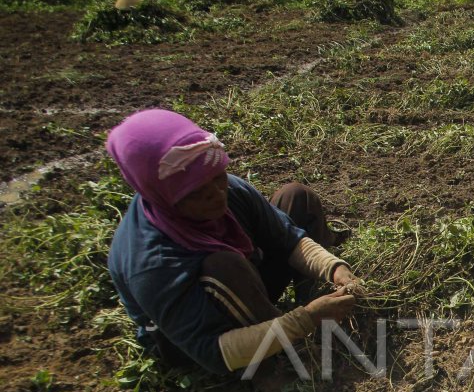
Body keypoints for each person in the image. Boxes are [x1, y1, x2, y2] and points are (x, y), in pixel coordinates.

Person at [106, 108, 360, 377]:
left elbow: (288, 239)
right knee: (223, 264)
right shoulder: (151, 261)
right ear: (163, 196)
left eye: (217, 178)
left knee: (297, 198)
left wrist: (334, 269)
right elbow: (210, 351)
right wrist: (304, 319)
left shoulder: (228, 189)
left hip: (244, 289)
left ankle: (325, 312)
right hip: (197, 342)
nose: (216, 195)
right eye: (197, 193)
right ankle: (277, 361)